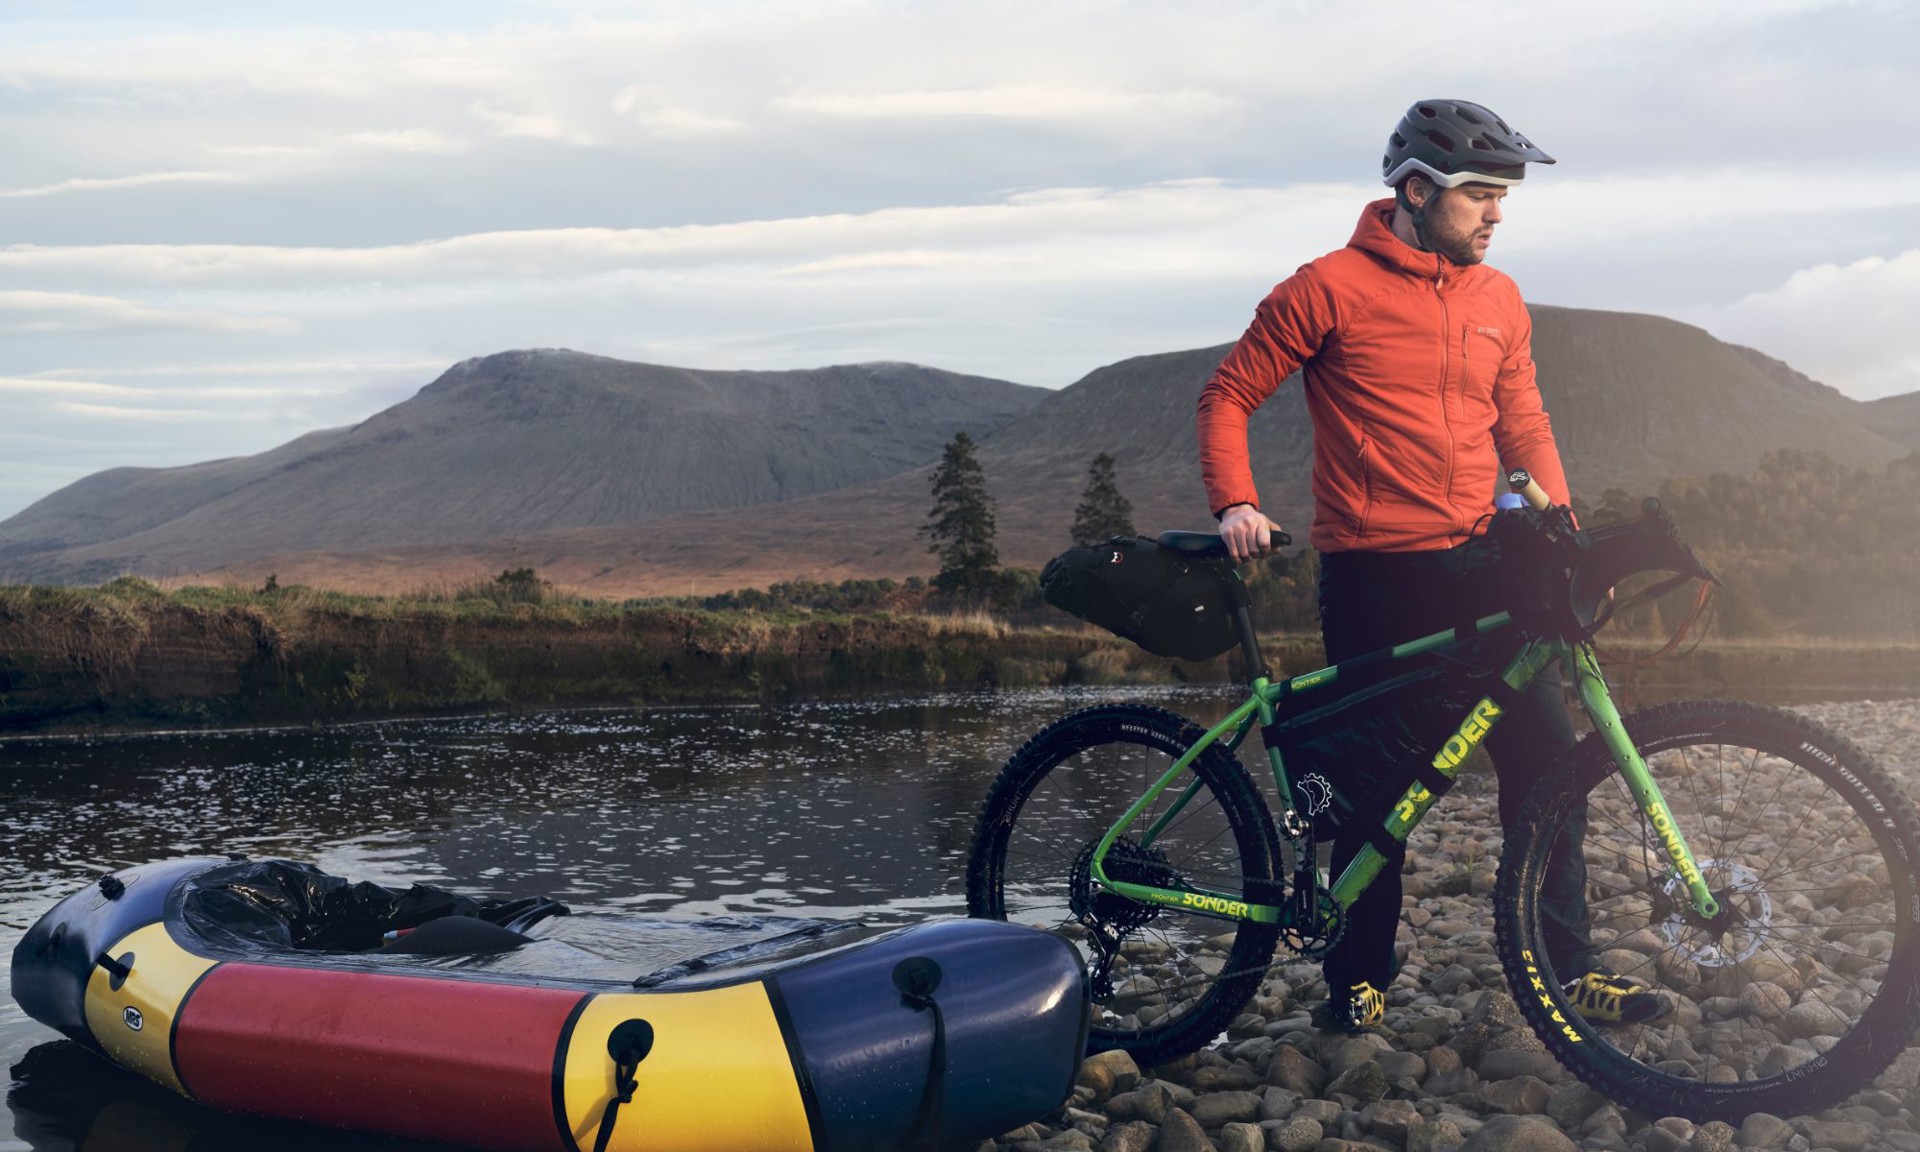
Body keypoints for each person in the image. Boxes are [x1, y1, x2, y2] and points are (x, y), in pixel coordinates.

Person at [1195, 99, 1662, 1031]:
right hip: (1376, 578)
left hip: (1485, 567)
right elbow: (1228, 393)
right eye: (1480, 196)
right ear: (1416, 191)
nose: (1497, 214)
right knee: (1375, 789)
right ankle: (1359, 974)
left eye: (1503, 197)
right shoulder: (1324, 288)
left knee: (1548, 763)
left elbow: (1523, 425)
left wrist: (1563, 530)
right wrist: (1237, 502)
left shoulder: (1499, 298)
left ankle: (1565, 972)